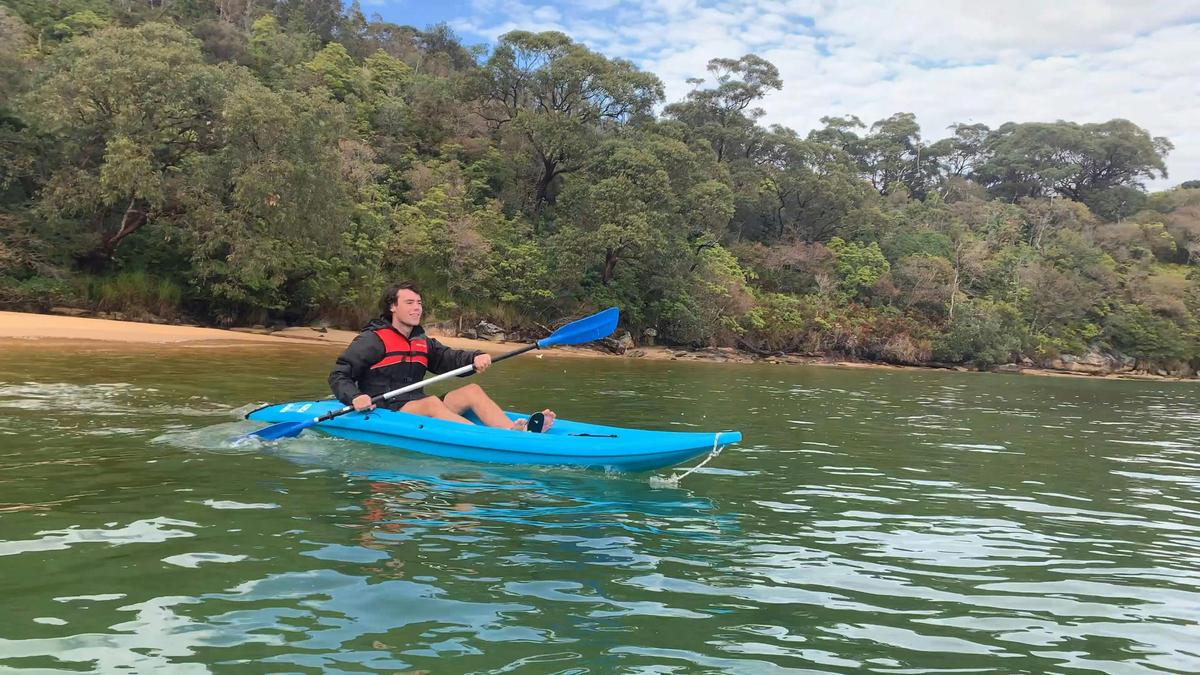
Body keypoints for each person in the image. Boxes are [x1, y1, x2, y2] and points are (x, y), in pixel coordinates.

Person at [328, 282, 554, 431]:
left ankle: (513, 432)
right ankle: (485, 439)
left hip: (416, 405)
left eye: (419, 303)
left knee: (471, 391)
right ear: (393, 307)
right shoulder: (372, 340)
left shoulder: (421, 341)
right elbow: (339, 374)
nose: (417, 308)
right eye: (409, 303)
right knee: (431, 403)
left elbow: (449, 358)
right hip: (385, 409)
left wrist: (475, 357)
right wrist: (354, 397)